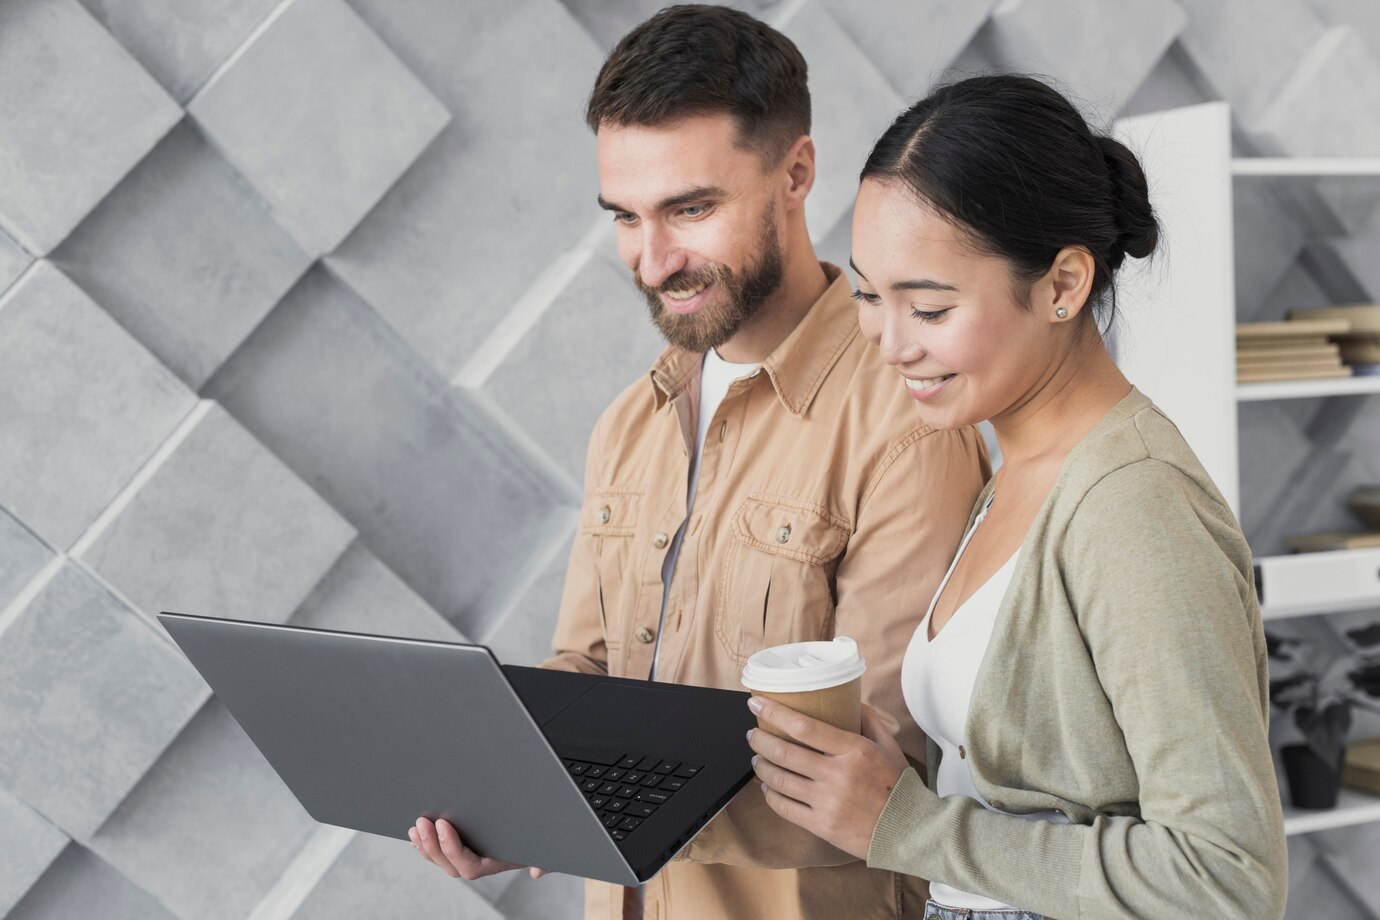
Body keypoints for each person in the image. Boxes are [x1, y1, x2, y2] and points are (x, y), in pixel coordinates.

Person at [409, 6, 990, 919]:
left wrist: (593, 801)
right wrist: (503, 792)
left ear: (796, 173)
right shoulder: (630, 423)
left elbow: (884, 768)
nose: (653, 260)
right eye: (626, 218)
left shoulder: (908, 423)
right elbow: (590, 667)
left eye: (691, 209)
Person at [747, 74, 1289, 920]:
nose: (889, 344)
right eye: (866, 294)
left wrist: (912, 826)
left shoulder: (1134, 508)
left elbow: (1225, 878)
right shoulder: (1012, 466)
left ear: (1064, 284)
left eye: (928, 307)